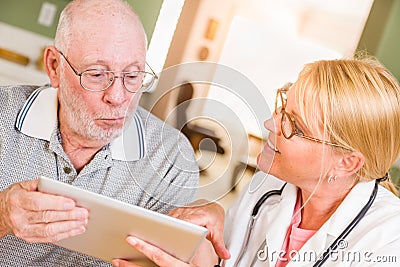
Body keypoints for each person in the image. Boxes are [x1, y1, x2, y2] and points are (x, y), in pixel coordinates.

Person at [112, 57, 400, 267]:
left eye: (294, 125)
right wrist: (204, 236)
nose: (270, 123)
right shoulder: (267, 188)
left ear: (347, 163)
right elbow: (226, 261)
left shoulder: (388, 240)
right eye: (282, 108)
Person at [0, 0, 198, 266]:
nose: (118, 98)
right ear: (54, 67)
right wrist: (3, 214)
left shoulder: (171, 158)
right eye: (96, 74)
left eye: (133, 75)